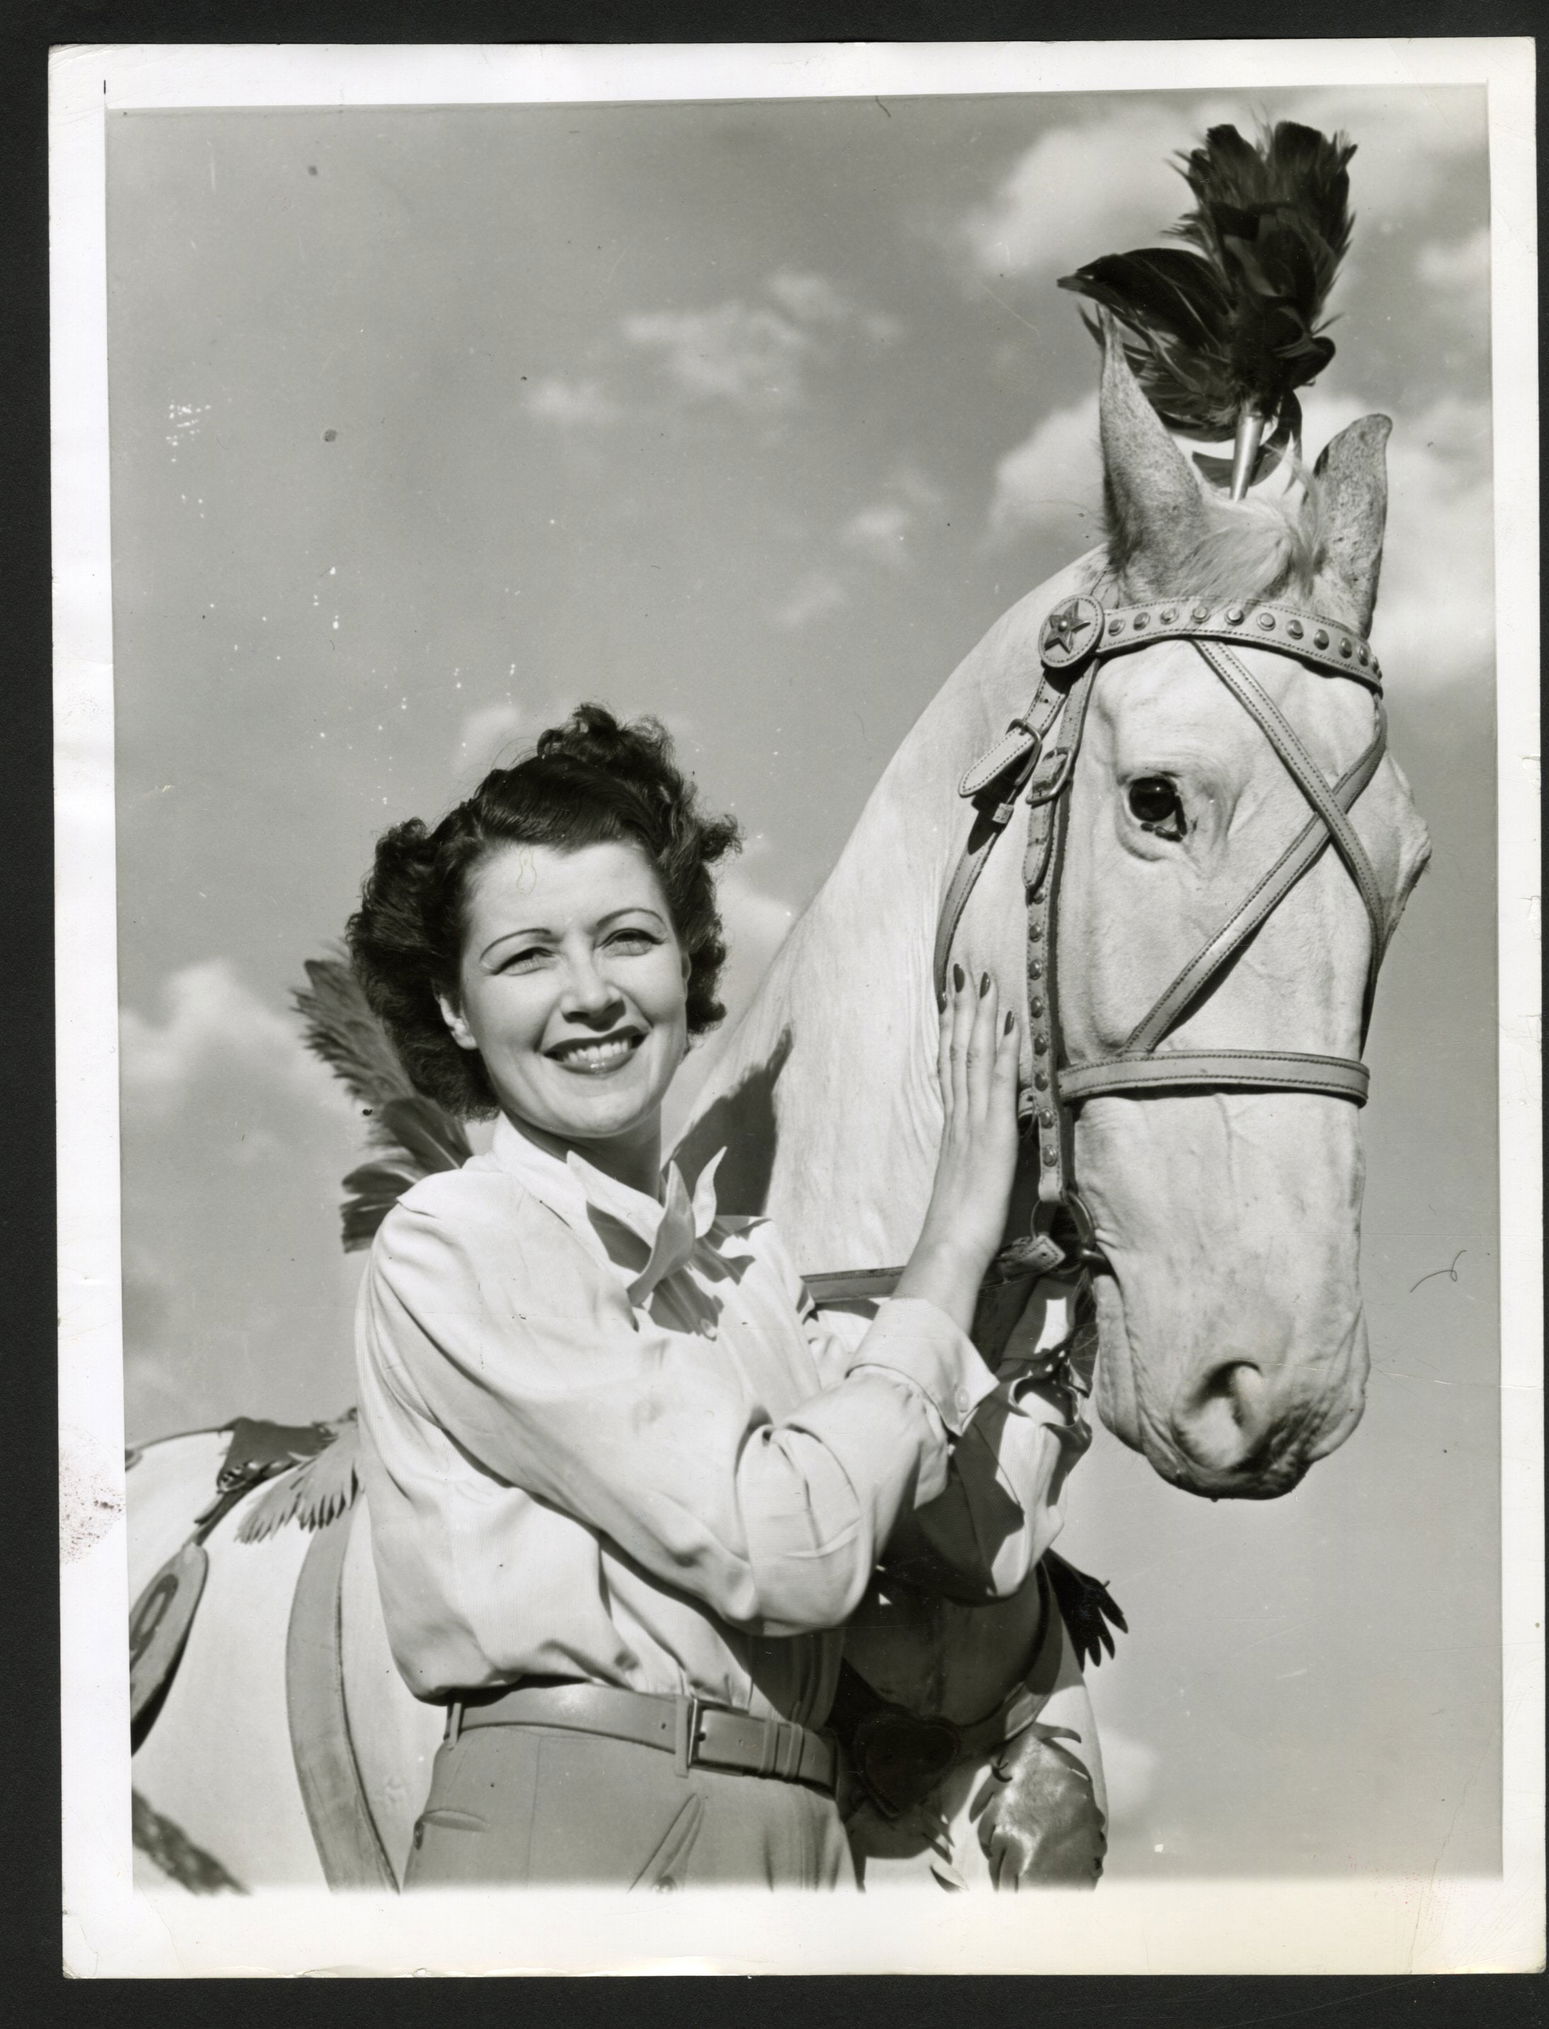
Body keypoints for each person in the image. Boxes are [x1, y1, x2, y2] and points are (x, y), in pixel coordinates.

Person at [348, 704, 1081, 1891]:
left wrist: (1046, 1317)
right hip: (576, 1830)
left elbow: (944, 1534)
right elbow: (787, 1551)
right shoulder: (461, 1236)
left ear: (687, 965)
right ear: (451, 1009)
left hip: (801, 1834)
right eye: (525, 956)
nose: (589, 994)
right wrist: (949, 1241)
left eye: (628, 938)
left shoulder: (753, 1274)